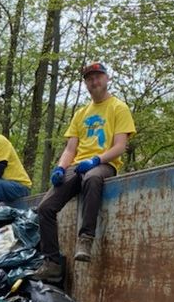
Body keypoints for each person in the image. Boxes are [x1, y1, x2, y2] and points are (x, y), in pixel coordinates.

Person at [29, 61, 136, 283]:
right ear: (86, 84)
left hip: (104, 163)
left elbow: (120, 146)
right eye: (89, 79)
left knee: (93, 178)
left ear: (106, 79)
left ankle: (85, 238)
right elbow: (70, 148)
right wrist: (60, 168)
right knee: (45, 208)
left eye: (97, 77)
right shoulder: (81, 113)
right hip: (78, 165)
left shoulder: (118, 107)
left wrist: (97, 159)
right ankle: (52, 262)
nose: (94, 81)